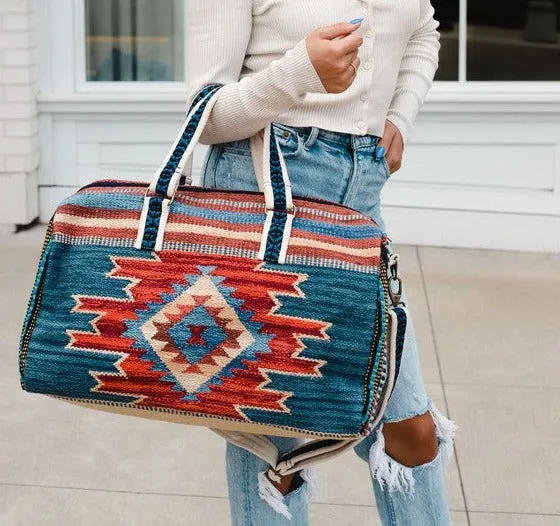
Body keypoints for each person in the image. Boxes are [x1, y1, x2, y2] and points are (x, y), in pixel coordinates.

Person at [186, 2, 456, 525]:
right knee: (272, 444)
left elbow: (424, 29)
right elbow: (206, 113)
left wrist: (400, 113)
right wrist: (299, 71)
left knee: (409, 428)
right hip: (260, 191)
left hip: (361, 195)